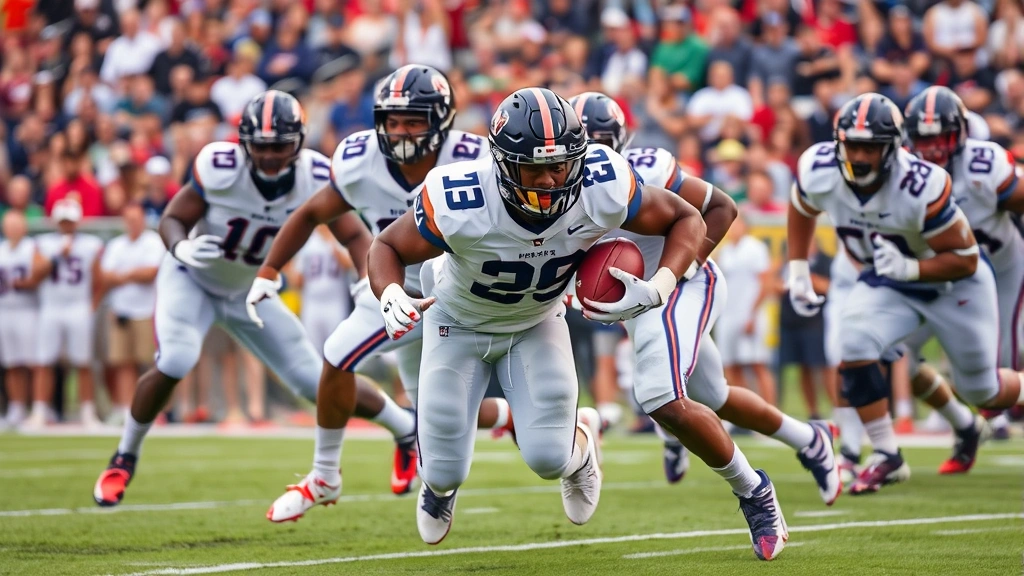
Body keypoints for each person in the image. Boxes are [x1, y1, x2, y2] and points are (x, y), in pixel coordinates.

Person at [369, 87, 788, 560]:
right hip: (457, 322)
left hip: (535, 321)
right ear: (503, 164)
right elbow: (386, 246)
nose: (550, 180)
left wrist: (663, 283)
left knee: (549, 459)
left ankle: (583, 442)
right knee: (442, 471)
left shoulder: (600, 181)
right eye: (534, 168)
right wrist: (390, 293)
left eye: (561, 165)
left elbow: (687, 218)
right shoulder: (460, 198)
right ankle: (440, 488)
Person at [247, 65, 512, 523]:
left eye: (413, 121)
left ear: (441, 121)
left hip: (457, 296)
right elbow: (311, 213)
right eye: (393, 120)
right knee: (420, 406)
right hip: (394, 291)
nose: (401, 131)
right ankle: (512, 422)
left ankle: (325, 475)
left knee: (347, 360)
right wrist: (269, 270)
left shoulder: (474, 161)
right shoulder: (360, 160)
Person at [92, 90, 367, 507]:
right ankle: (123, 457)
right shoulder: (220, 167)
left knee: (316, 380)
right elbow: (172, 218)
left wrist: (370, 281)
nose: (270, 156)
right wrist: (181, 246)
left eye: (280, 146)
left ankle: (403, 429)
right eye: (261, 146)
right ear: (243, 142)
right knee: (177, 359)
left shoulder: (315, 176)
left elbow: (353, 234)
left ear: (299, 142)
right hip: (193, 278)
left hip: (248, 289)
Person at [572, 91, 839, 507]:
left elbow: (722, 208)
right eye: (582, 142)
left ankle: (725, 472)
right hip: (636, 301)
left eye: (600, 142)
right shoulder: (554, 188)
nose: (592, 153)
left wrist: (678, 272)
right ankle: (808, 438)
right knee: (715, 396)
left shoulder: (647, 168)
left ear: (620, 141)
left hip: (684, 285)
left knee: (660, 391)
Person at [787, 93, 1024, 496]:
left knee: (983, 391)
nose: (859, 157)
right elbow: (801, 206)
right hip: (891, 282)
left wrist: (911, 268)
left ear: (894, 148)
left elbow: (966, 259)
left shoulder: (920, 185)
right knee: (853, 341)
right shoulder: (819, 169)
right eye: (852, 145)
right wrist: (797, 269)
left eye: (871, 148)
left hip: (955, 284)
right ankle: (886, 454)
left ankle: (969, 419)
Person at [896, 86, 1024, 468]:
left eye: (942, 136)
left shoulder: (984, 166)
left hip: (1000, 270)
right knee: (893, 351)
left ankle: (995, 418)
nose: (933, 147)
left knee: (1000, 363)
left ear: (961, 133)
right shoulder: (900, 171)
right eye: (924, 138)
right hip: (938, 275)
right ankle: (964, 424)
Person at [19, 199, 104, 428]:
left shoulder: (90, 244)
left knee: (83, 361)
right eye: (63, 221)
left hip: (78, 307)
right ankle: (39, 411)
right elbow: (35, 274)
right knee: (44, 361)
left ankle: (88, 413)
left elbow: (99, 280)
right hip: (51, 306)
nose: (67, 225)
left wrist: (92, 306)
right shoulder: (43, 244)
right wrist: (57, 256)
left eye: (70, 221)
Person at [98, 203, 165, 425]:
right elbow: (106, 276)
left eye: (136, 219)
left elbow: (150, 272)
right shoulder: (116, 245)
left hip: (146, 311)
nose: (133, 223)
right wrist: (133, 274)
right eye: (129, 219)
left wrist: (123, 276)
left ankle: (154, 408)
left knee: (149, 363)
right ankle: (128, 408)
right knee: (123, 362)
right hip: (121, 311)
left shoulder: (153, 242)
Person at [0, 210, 39, 428]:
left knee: (33, 363)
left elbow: (42, 271)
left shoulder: (33, 248)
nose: (13, 229)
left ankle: (38, 407)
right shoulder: (2, 249)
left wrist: (30, 281)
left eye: (16, 225)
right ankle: (16, 407)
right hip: (5, 310)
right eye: (9, 225)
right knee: (12, 363)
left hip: (28, 309)